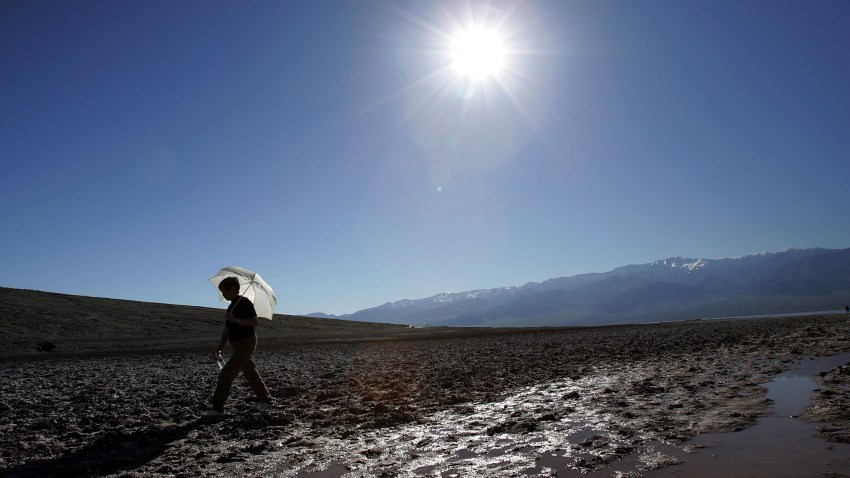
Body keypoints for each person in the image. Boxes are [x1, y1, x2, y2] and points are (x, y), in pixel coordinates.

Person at [207, 277, 273, 416]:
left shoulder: (244, 302)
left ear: (232, 288)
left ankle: (217, 408)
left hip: (247, 342)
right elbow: (227, 330)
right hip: (236, 344)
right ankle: (266, 401)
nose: (223, 294)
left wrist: (235, 319)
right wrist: (219, 348)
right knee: (250, 371)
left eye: (224, 291)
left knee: (226, 374)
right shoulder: (232, 305)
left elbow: (254, 322)